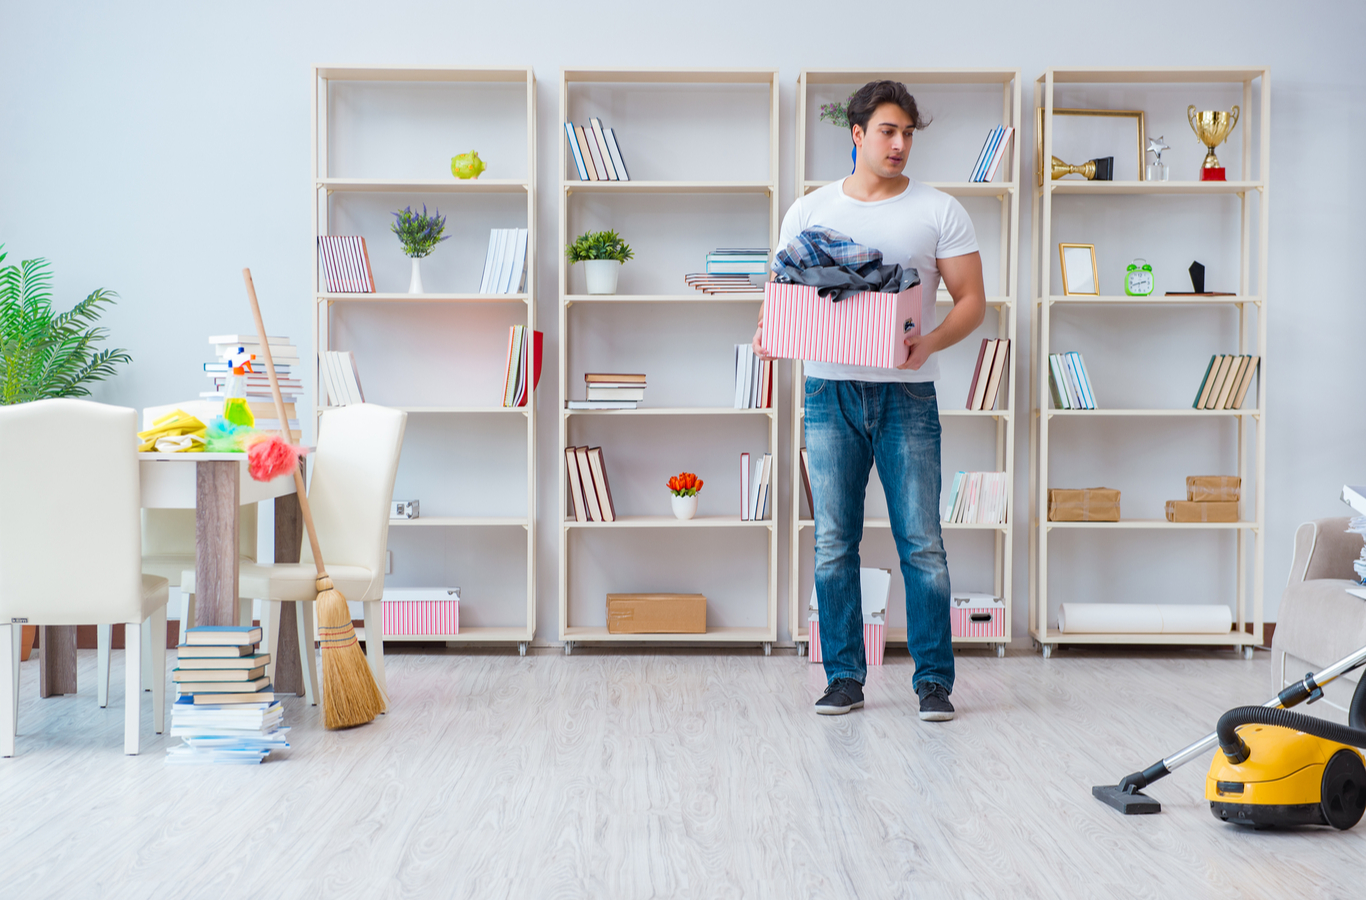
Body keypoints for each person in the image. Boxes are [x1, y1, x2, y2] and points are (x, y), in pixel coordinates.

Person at [754, 81, 986, 719]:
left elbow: (973, 302)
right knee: (834, 541)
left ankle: (933, 682)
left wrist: (931, 342)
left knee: (923, 542)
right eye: (887, 131)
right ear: (856, 134)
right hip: (828, 391)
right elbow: (784, 294)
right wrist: (769, 331)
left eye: (908, 133)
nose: (900, 144)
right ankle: (844, 679)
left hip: (907, 394)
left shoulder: (940, 210)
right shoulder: (809, 210)